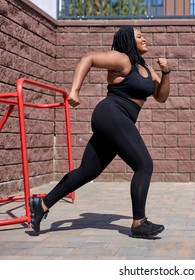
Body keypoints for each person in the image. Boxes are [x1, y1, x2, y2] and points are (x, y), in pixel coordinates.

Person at [28, 26, 170, 238]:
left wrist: (166, 72)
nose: (144, 39)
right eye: (139, 36)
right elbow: (89, 58)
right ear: (128, 40)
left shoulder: (148, 69)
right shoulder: (122, 59)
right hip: (111, 113)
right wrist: (75, 90)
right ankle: (139, 222)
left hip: (117, 120)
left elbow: (161, 96)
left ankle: (43, 204)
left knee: (88, 171)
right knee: (144, 164)